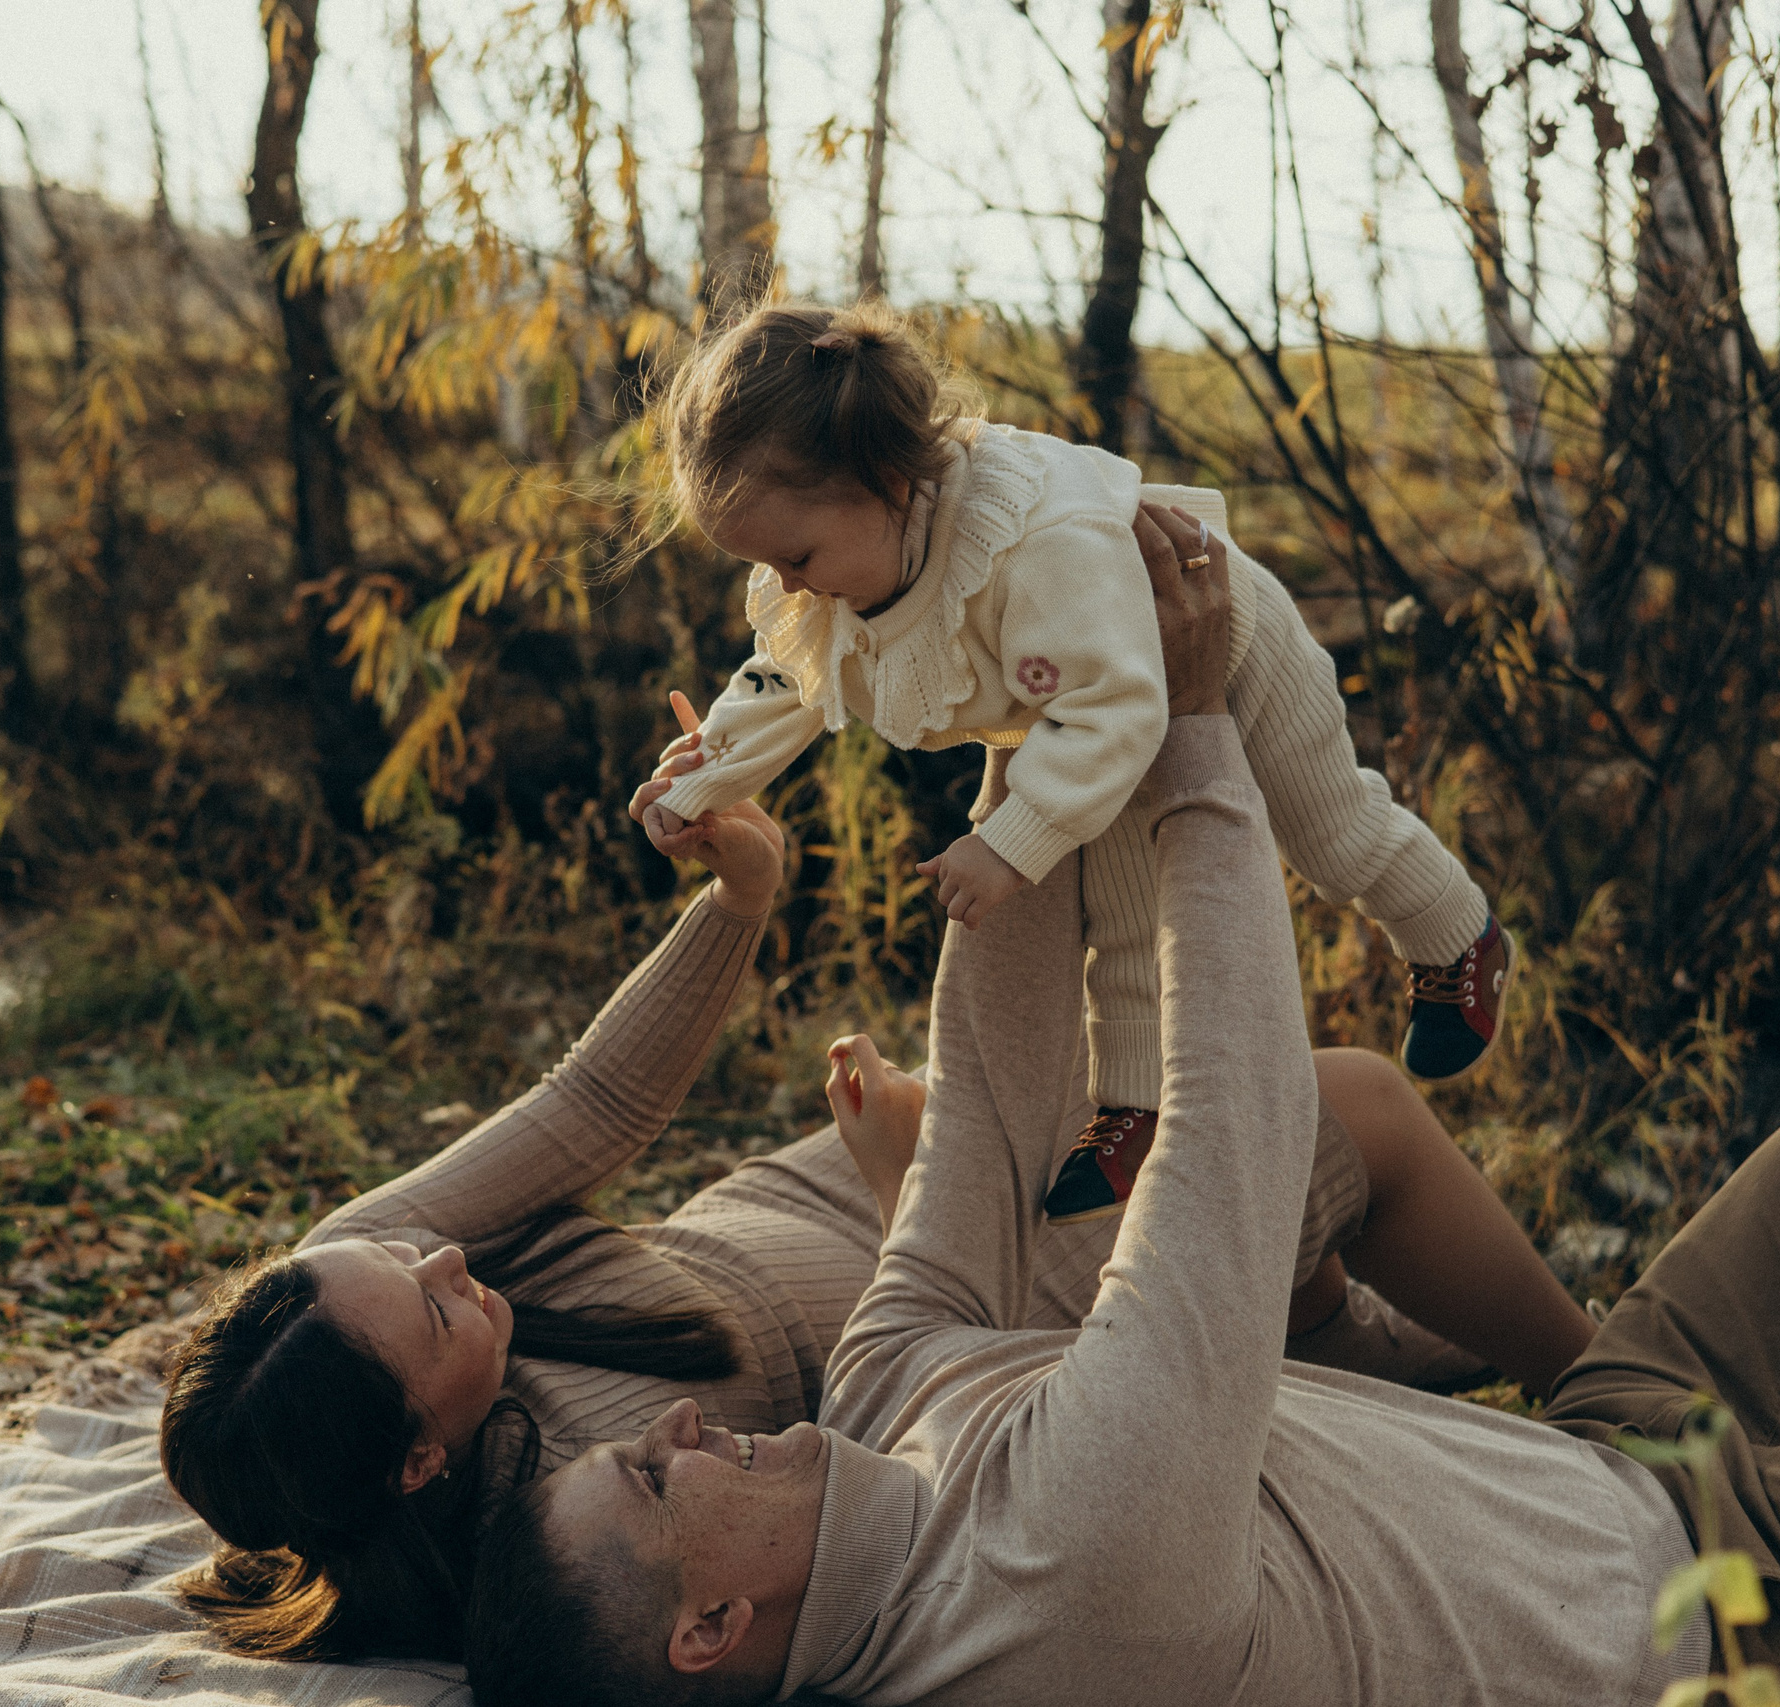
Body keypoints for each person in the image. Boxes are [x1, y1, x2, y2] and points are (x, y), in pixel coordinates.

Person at [467, 517, 1780, 1707]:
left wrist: (1020, 713)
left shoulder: (893, 1405)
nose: (677, 1430)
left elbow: (985, 1102)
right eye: (655, 1486)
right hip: (1753, 1620)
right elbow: (1230, 1135)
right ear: (711, 1626)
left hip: (1605, 1468)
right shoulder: (1049, 1579)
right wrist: (1193, 742)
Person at [156, 507, 1592, 1667]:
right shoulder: (592, 1540)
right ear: (419, 1462)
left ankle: (1430, 1354)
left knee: (1254, 1215)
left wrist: (738, 898)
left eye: (405, 1252)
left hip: (819, 1191)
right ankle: (1612, 1388)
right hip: (969, 1296)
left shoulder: (340, 1290)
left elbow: (590, 1108)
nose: (443, 1253)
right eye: (424, 1302)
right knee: (1352, 1109)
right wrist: (922, 1180)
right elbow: (912, 1519)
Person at [637, 299, 1508, 1225]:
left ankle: (1457, 935)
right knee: (1121, 905)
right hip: (1080, 705)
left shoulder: (1036, 539)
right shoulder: (841, 555)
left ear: (889, 481)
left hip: (1212, 640)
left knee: (1332, 830)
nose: (789, 585)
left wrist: (1009, 841)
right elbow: (787, 674)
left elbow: (1112, 705)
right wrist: (702, 780)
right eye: (769, 568)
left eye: (796, 556)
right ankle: (1135, 1106)